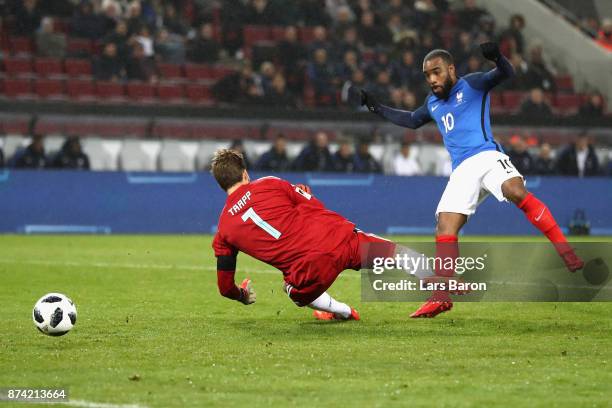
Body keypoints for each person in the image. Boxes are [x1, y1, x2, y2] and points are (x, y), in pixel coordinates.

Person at [360, 42, 584, 318]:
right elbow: (410, 119)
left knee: (516, 191)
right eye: (427, 75)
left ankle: (566, 251)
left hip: (487, 156)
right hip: (462, 170)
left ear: (450, 69)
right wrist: (376, 107)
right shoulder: (432, 104)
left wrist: (498, 58)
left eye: (437, 72)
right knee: (445, 225)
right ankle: (441, 297)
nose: (432, 80)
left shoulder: (473, 85)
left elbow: (505, 74)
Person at [211, 149, 396, 320]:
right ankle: (426, 285)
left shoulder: (223, 230)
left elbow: (225, 288)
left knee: (290, 288)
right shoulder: (270, 183)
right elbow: (316, 207)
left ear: (221, 185)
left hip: (309, 270)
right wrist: (303, 195)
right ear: (245, 173)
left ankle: (344, 312)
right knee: (393, 252)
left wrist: (242, 295)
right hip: (339, 237)